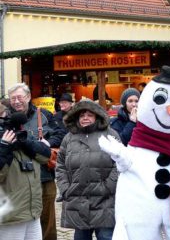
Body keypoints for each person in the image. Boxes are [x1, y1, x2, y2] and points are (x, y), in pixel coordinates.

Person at [8, 83, 65, 240]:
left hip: (44, 177)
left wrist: (46, 143)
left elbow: (61, 134)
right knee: (20, 222)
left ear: (28, 97)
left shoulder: (44, 114)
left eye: (19, 97)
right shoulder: (6, 117)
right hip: (17, 181)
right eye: (13, 98)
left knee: (47, 221)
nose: (16, 101)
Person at [56, 99, 119, 240]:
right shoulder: (69, 138)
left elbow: (120, 163)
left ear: (97, 116)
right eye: (82, 115)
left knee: (106, 236)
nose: (85, 118)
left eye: (90, 115)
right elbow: (60, 165)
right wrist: (66, 188)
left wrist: (108, 187)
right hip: (78, 201)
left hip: (105, 202)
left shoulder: (111, 135)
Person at [0, 103, 51, 240]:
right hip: (10, 215)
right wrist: (4, 147)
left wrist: (25, 141)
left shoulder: (22, 136)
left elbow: (45, 157)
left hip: (32, 212)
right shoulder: (4, 144)